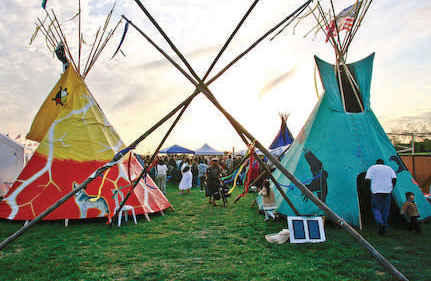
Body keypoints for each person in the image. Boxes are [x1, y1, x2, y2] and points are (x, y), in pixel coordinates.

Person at [365, 159, 397, 235]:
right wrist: (392, 187)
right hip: (387, 191)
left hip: (376, 191)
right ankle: (384, 227)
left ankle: (380, 223)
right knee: (385, 210)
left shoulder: (372, 168)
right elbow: (394, 178)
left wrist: (369, 188)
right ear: (383, 163)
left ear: (376, 163)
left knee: (376, 208)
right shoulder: (389, 168)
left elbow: (367, 179)